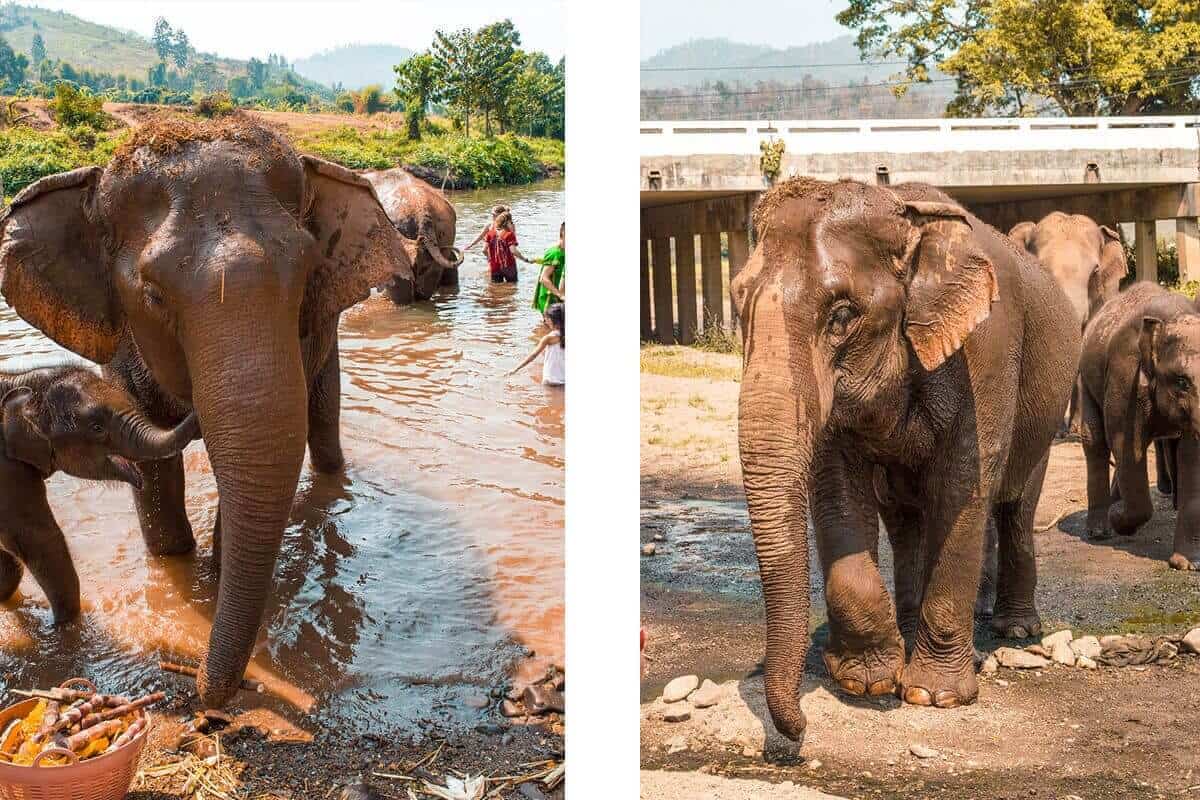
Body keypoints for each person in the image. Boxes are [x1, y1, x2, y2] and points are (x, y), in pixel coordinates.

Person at [509, 302, 565, 386]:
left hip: (551, 379)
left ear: (552, 320)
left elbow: (533, 355)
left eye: (546, 318)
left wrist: (515, 369)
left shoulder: (549, 338)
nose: (545, 321)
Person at [532, 221, 566, 313]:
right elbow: (543, 278)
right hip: (550, 299)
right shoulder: (555, 253)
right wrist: (560, 295)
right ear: (563, 233)